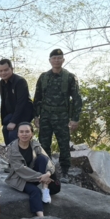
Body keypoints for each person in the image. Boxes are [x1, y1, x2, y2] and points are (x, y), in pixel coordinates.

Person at [33, 49, 83, 179]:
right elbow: (37, 98)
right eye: (54, 58)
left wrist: (75, 119)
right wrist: (36, 116)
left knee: (64, 145)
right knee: (44, 144)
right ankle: (46, 169)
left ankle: (65, 171)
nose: (56, 60)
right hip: (45, 116)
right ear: (50, 60)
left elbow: (77, 99)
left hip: (62, 117)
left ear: (63, 60)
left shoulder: (69, 77)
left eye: (59, 58)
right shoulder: (44, 77)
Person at [5, 122, 59, 217]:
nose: (24, 134)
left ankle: (45, 187)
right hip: (20, 177)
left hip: (36, 175)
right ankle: (41, 217)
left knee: (42, 158)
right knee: (35, 191)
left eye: (27, 131)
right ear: (17, 134)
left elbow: (48, 160)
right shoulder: (12, 149)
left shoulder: (35, 144)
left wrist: (48, 174)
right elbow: (20, 169)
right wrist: (42, 176)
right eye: (21, 132)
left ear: (32, 134)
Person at [0, 59, 35, 145]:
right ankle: (9, 150)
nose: (3, 73)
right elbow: (4, 102)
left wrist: (13, 122)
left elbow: (21, 103)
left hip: (24, 114)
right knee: (5, 129)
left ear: (12, 69)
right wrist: (4, 121)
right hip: (12, 114)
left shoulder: (20, 81)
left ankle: (18, 151)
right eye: (0, 71)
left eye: (6, 70)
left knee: (13, 134)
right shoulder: (1, 83)